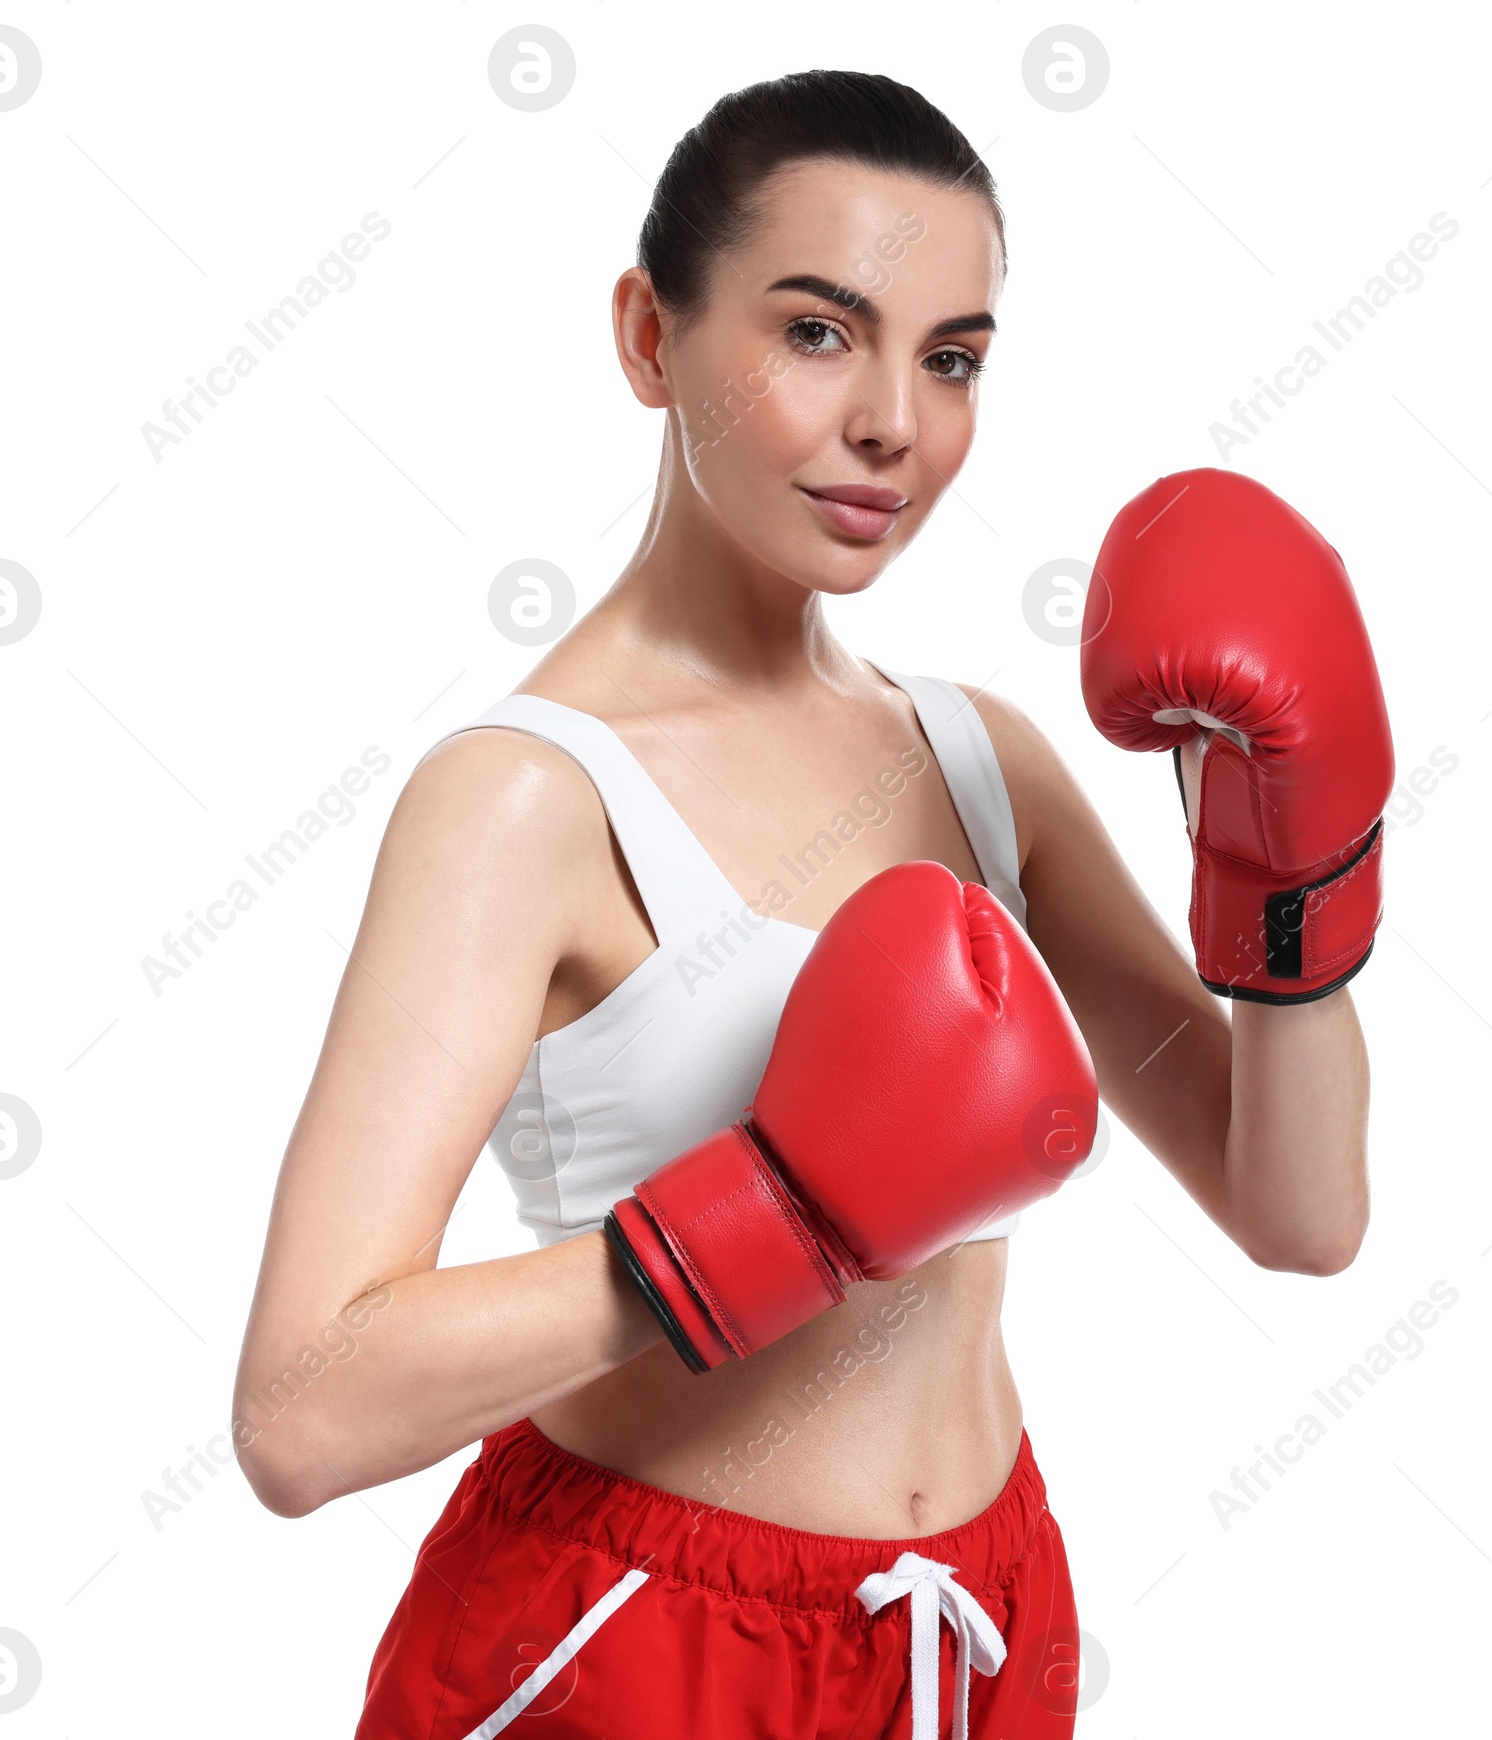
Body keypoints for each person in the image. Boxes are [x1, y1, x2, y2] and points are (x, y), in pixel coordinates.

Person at [232, 69, 1386, 1739]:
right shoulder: (525, 799)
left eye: (953, 357)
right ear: (649, 338)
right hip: (640, 1637)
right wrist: (773, 1221)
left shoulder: (985, 760)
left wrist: (1295, 873)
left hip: (976, 1629)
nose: (896, 427)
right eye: (819, 332)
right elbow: (300, 1412)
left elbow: (1303, 1219)